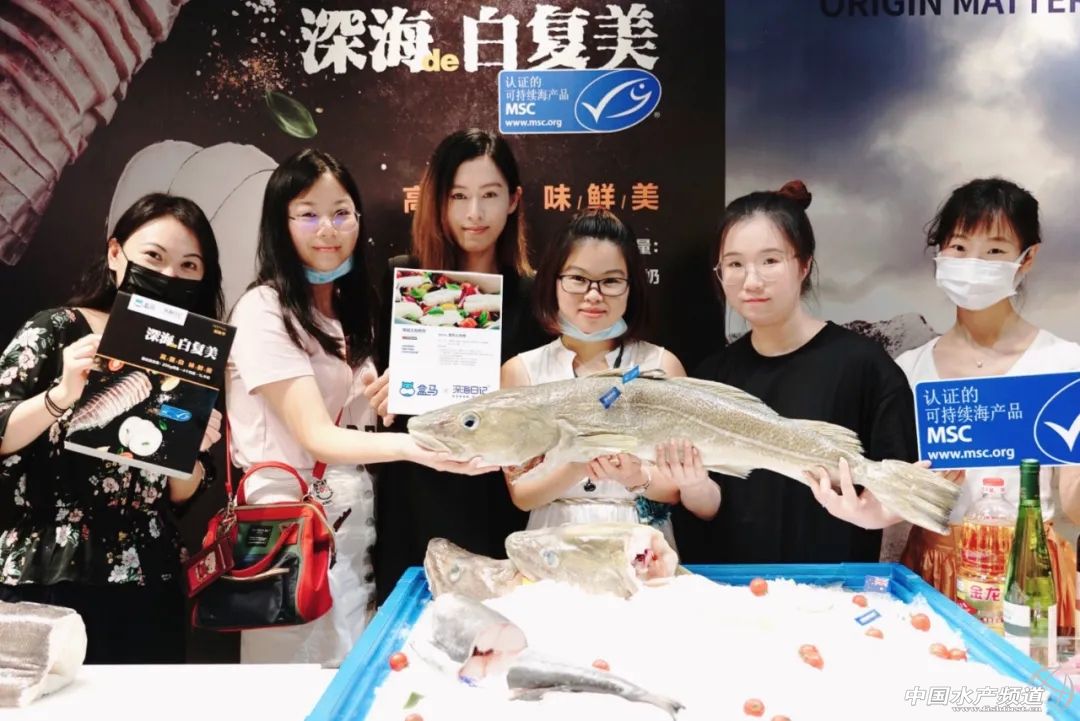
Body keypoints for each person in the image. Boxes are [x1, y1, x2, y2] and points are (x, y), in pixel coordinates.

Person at [226, 149, 492, 665]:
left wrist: (399, 395)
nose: (327, 229)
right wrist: (418, 447)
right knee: (293, 681)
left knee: (352, 670)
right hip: (288, 528)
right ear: (280, 223)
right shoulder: (264, 309)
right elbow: (317, 435)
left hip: (351, 523)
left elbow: (356, 417)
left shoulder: (353, 309)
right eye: (307, 214)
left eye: (341, 212)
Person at [815, 178, 1080, 631]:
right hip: (934, 573)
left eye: (994, 250)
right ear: (939, 253)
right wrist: (884, 504)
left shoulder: (1064, 365)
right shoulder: (907, 371)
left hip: (1031, 578)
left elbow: (1073, 499)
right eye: (959, 247)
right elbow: (889, 495)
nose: (974, 263)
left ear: (1027, 258)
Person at [0, 193, 225, 663]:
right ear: (116, 254)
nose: (169, 275)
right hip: (49, 569)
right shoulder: (59, 329)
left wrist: (190, 449)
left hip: (148, 577)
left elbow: (181, 494)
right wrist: (60, 395)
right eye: (154, 257)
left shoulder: (190, 356)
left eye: (188, 265)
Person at [673, 181, 919, 564]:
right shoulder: (711, 379)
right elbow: (711, 507)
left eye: (770, 261)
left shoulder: (863, 366)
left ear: (804, 265)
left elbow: (899, 489)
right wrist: (691, 485)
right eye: (735, 264)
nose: (751, 281)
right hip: (735, 589)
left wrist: (869, 513)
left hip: (835, 588)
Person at [364, 130, 550, 604]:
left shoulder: (534, 296)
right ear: (438, 202)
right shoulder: (406, 279)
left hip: (497, 498)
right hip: (417, 491)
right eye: (459, 196)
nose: (474, 214)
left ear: (514, 200)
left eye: (490, 195)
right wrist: (388, 390)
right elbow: (384, 402)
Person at [500, 209, 721, 546]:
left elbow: (677, 487)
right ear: (553, 281)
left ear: (631, 287)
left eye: (611, 281)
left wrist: (637, 476)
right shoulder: (521, 371)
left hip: (642, 543)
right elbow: (522, 493)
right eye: (578, 279)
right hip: (551, 542)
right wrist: (578, 463)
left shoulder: (661, 365)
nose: (593, 295)